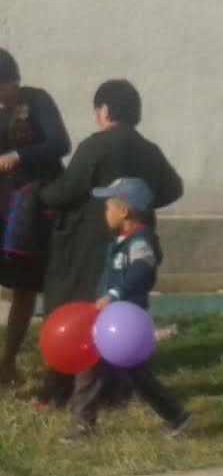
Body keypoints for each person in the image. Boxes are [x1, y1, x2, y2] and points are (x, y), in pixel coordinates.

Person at [37, 80, 183, 404]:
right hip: (133, 240)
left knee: (78, 309)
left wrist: (38, 192)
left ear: (104, 110)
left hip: (88, 244)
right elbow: (174, 187)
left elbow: (65, 191)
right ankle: (116, 388)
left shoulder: (96, 146)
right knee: (120, 310)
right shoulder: (149, 149)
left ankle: (61, 387)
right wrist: (143, 206)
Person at [61, 177, 189, 441]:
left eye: (108, 207)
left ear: (124, 211)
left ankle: (175, 415)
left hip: (124, 323)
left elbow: (143, 271)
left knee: (128, 373)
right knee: (97, 368)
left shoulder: (140, 242)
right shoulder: (123, 240)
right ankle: (85, 424)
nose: (105, 213)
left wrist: (114, 294)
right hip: (110, 320)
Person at [0, 48, 71, 384]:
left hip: (36, 207)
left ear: (13, 81)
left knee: (27, 284)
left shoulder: (37, 101)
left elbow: (60, 143)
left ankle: (8, 362)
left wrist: (18, 156)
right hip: (4, 203)